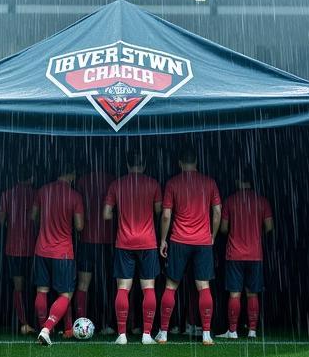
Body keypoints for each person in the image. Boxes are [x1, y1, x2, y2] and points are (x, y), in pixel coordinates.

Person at [156, 145, 221, 345]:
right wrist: (212, 236)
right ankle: (207, 334)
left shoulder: (173, 183)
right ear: (197, 162)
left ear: (180, 163)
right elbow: (218, 211)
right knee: (203, 286)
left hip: (179, 240)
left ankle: (164, 333)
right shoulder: (209, 182)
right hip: (203, 242)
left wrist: (163, 240)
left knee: (171, 285)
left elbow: (166, 215)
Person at [103, 148, 162, 346]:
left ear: (127, 165)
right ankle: (146, 334)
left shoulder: (116, 184)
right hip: (148, 242)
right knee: (149, 287)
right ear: (144, 165)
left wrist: (123, 216)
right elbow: (159, 211)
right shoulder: (153, 183)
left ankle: (121, 335)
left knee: (123, 287)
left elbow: (106, 214)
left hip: (124, 242)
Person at [216, 166, 274, 340]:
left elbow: (224, 228)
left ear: (237, 181)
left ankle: (232, 331)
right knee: (252, 293)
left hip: (235, 254)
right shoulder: (262, 201)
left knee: (235, 293)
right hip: (255, 254)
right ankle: (252, 330)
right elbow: (270, 226)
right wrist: (255, 233)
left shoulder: (230, 201)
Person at [32, 162, 84, 346]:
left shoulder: (42, 191)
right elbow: (79, 226)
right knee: (65, 294)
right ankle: (47, 328)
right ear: (71, 175)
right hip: (63, 253)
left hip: (41, 249)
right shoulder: (74, 196)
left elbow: (34, 217)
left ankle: (43, 327)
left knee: (42, 290)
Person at [76, 162, 117, 335]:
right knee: (105, 284)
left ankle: (80, 322)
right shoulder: (112, 180)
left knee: (84, 284)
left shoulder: (82, 181)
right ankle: (105, 323)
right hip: (106, 240)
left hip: (87, 239)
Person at [0, 165, 37, 335]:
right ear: (31, 177)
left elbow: (1, 220)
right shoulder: (36, 194)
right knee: (38, 287)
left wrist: (12, 225)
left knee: (18, 287)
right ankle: (39, 322)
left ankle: (23, 323)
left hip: (13, 248)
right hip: (33, 247)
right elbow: (39, 219)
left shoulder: (7, 194)